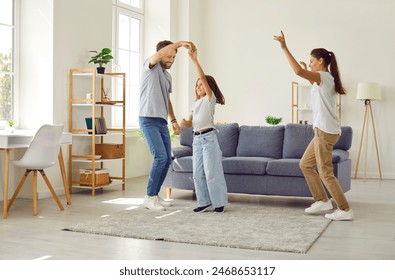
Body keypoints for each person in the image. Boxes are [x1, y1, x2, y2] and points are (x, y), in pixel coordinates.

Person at [274, 31, 354, 221]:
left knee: (325, 172)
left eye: (311, 61)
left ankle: (344, 209)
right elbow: (313, 82)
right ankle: (322, 200)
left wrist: (284, 47)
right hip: (324, 130)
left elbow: (298, 72)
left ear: (320, 61)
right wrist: (308, 73)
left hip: (325, 131)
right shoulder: (324, 79)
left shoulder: (324, 77)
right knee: (306, 164)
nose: (309, 64)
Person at [140, 40, 195, 211]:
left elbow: (167, 99)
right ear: (161, 54)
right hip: (148, 118)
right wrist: (180, 43)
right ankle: (149, 197)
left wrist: (173, 121)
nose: (171, 59)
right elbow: (160, 55)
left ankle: (155, 195)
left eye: (174, 57)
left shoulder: (167, 76)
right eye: (169, 55)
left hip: (162, 121)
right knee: (160, 157)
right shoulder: (150, 67)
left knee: (167, 160)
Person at [181, 48, 228, 214]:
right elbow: (189, 123)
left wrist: (194, 60)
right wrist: (182, 123)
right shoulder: (194, 104)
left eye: (202, 84)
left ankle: (219, 202)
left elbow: (202, 77)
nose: (199, 86)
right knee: (197, 174)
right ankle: (204, 202)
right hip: (196, 140)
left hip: (209, 139)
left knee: (211, 173)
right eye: (197, 85)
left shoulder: (210, 100)